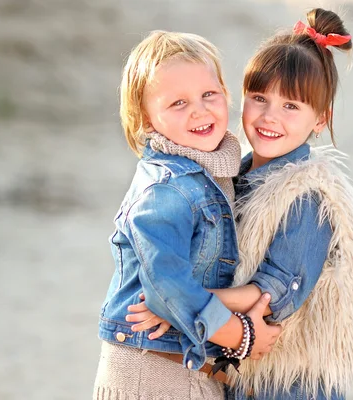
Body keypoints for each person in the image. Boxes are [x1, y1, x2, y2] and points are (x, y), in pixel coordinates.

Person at [127, 8, 353, 400]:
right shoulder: (232, 176)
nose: (269, 117)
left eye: (291, 107)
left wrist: (176, 306)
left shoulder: (309, 195)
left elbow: (272, 296)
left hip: (292, 386)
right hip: (244, 376)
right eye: (259, 98)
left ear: (320, 119)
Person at [94, 30, 282, 400]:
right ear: (147, 120)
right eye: (178, 103)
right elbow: (165, 282)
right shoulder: (168, 188)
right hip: (149, 370)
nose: (199, 110)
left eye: (208, 94)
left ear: (226, 93)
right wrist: (238, 335)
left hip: (183, 362)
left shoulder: (213, 169)